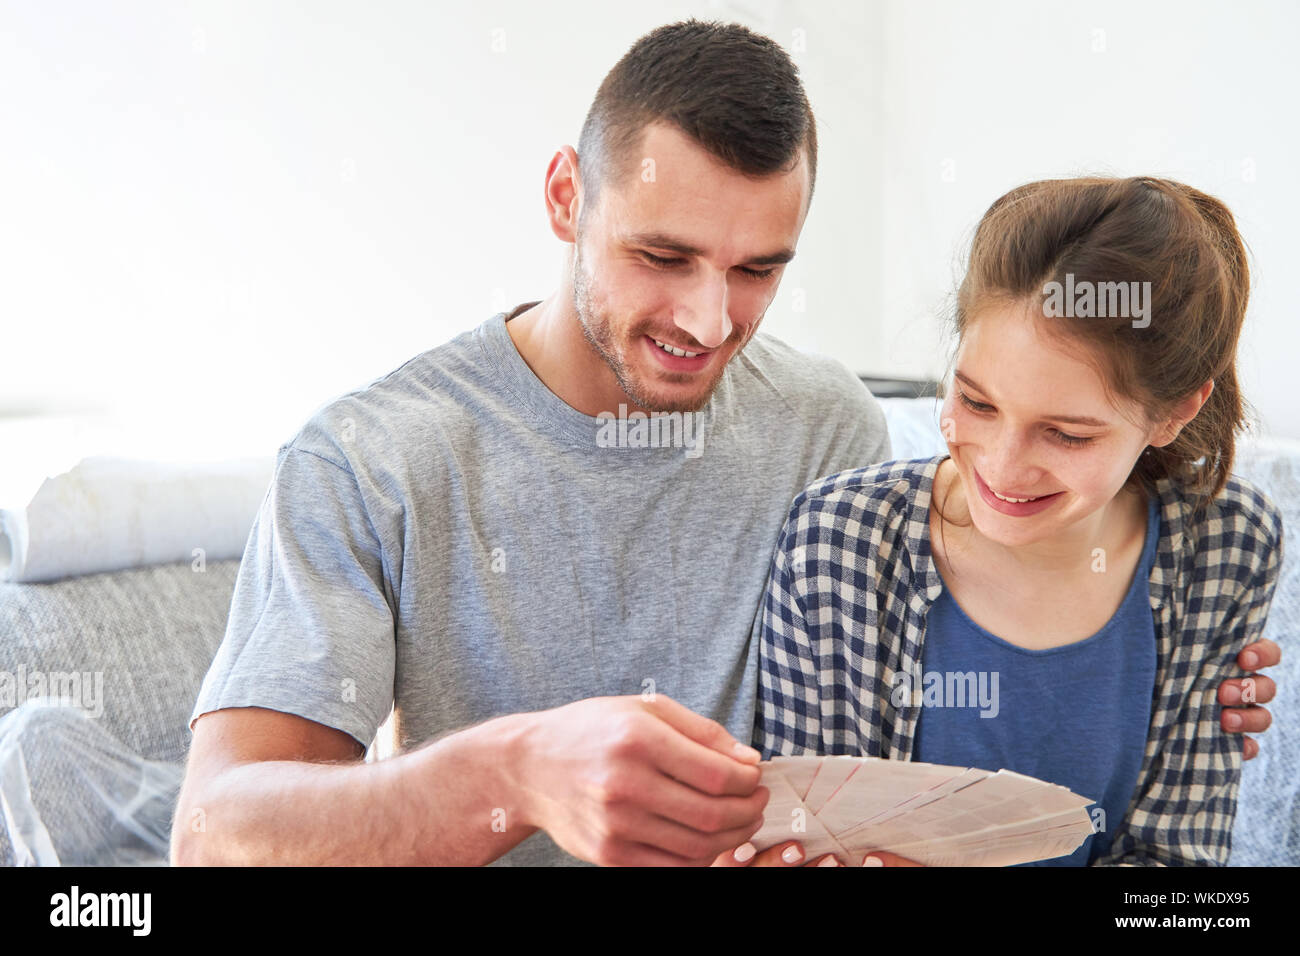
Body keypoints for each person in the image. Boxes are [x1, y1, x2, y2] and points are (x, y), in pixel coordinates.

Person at [169, 20, 1279, 868]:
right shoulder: (370, 458)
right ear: (565, 197)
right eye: (662, 254)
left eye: (759, 269)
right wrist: (511, 772)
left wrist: (1167, 668)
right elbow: (215, 831)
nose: (709, 322)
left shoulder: (826, 425)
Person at [749, 176, 1283, 867]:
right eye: (975, 402)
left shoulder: (1227, 544)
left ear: (1174, 413)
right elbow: (805, 832)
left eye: (1066, 435)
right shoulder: (839, 541)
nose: (1001, 467)